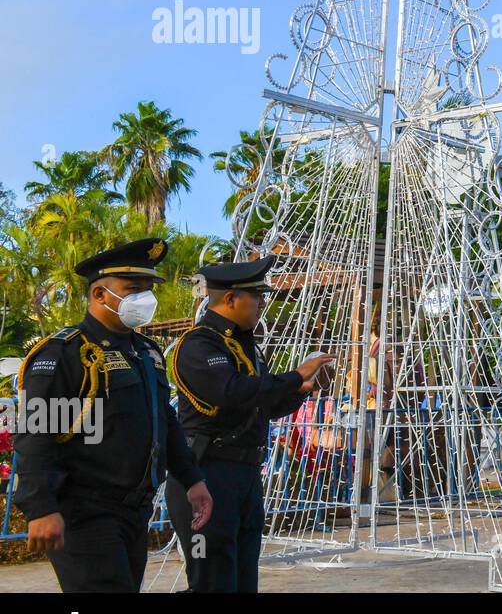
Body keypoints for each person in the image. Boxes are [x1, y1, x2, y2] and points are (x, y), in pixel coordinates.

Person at [13, 237, 213, 592]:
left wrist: (192, 479)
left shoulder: (146, 352)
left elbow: (164, 421)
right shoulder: (68, 353)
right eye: (133, 289)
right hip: (85, 512)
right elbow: (36, 432)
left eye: (147, 289)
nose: (144, 299)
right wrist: (40, 506)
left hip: (134, 510)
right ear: (100, 295)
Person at [164, 254, 334, 592]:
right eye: (256, 296)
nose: (262, 304)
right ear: (230, 299)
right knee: (211, 581)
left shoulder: (246, 347)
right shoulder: (199, 345)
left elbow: (261, 405)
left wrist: (303, 389)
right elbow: (231, 392)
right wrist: (294, 375)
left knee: (242, 581)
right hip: (207, 475)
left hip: (243, 475)